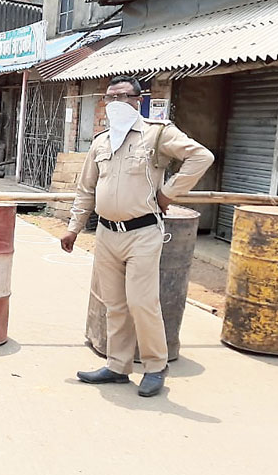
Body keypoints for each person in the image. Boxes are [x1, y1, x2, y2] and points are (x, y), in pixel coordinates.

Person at [60, 76, 214, 397]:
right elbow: (87, 188)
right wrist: (74, 227)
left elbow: (201, 157)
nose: (115, 102)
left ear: (137, 100)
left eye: (122, 96)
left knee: (142, 302)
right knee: (114, 303)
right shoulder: (101, 141)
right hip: (106, 233)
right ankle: (118, 366)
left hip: (143, 232)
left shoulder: (157, 134)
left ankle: (156, 366)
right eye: (110, 97)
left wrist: (169, 193)